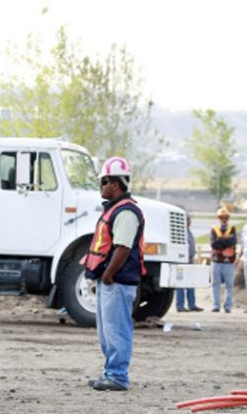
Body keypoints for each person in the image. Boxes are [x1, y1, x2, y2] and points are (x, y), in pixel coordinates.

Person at [81, 157, 146, 392]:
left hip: (117, 281)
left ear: (116, 183)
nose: (102, 186)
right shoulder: (116, 209)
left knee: (116, 330)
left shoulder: (126, 212)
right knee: (107, 331)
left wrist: (108, 276)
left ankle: (117, 376)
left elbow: (123, 248)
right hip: (110, 281)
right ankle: (111, 372)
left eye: (105, 181)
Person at [210, 207, 237, 313]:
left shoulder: (232, 229)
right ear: (218, 218)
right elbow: (213, 244)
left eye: (226, 217)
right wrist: (225, 241)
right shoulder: (214, 229)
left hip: (228, 262)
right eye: (221, 217)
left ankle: (228, 306)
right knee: (215, 284)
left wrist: (220, 242)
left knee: (229, 285)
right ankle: (216, 306)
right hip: (216, 261)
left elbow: (233, 241)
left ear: (228, 218)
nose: (224, 219)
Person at [176, 213, 203, 312]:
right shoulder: (180, 232)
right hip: (183, 261)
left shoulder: (189, 232)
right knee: (181, 285)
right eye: (187, 219)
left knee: (191, 284)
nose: (189, 221)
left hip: (190, 260)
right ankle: (180, 306)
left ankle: (192, 304)